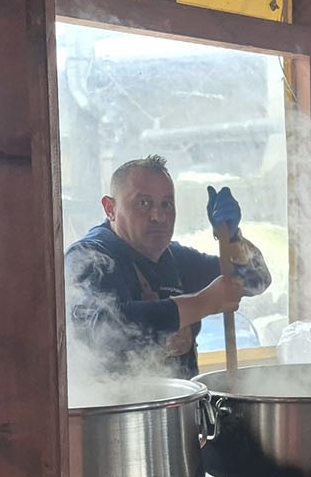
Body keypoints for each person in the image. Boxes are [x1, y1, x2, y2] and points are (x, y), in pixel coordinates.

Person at [66, 155, 270, 379]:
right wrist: (202, 303)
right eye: (143, 203)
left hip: (179, 408)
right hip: (115, 410)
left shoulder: (175, 258)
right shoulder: (89, 257)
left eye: (167, 204)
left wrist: (232, 239)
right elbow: (104, 331)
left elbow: (255, 279)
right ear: (110, 208)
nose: (159, 216)